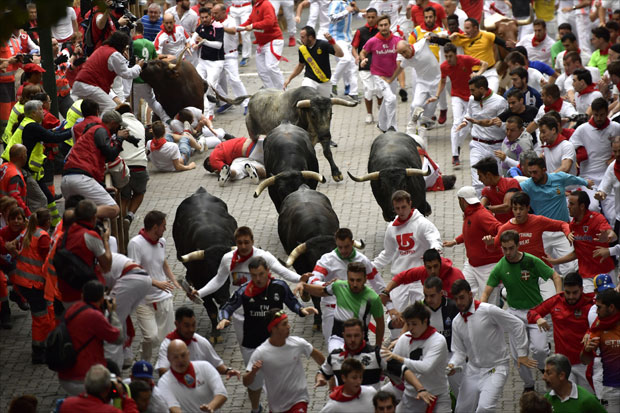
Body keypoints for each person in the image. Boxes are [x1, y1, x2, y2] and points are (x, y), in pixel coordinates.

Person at [217, 256, 317, 413]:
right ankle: (255, 408)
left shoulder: (279, 287)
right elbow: (227, 307)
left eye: (261, 274)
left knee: (280, 378)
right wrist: (223, 318)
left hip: (276, 344)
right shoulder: (244, 291)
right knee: (254, 383)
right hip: (252, 344)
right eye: (254, 275)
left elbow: (292, 302)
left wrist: (301, 310)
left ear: (268, 272)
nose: (258, 279)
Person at [482, 230, 562, 392]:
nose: (508, 252)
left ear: (518, 245)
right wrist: (481, 310)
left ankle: (542, 365)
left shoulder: (531, 261)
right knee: (518, 355)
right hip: (514, 315)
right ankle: (529, 385)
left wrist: (559, 298)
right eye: (504, 248)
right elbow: (486, 292)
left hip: (536, 313)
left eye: (511, 248)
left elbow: (555, 276)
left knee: (540, 350)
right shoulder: (500, 266)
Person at [448, 279, 536, 412]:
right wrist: (453, 364)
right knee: (461, 410)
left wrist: (522, 353)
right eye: (456, 299)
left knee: (484, 408)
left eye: (462, 297)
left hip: (496, 368)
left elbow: (517, 325)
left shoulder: (488, 310)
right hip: (472, 371)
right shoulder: (456, 322)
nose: (459, 302)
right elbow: (459, 352)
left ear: (470, 295)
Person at [372, 190, 441, 326]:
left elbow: (434, 239)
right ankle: (397, 339)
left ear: (410, 204)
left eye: (403, 207)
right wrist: (370, 266)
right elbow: (388, 253)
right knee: (395, 319)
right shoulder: (391, 228)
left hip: (419, 279)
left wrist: (433, 251)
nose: (401, 211)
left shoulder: (422, 223)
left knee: (423, 317)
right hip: (399, 280)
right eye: (397, 208)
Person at [307, 228, 387, 344]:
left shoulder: (362, 260)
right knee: (334, 347)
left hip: (356, 307)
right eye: (340, 247)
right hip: (331, 310)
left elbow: (378, 284)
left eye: (346, 247)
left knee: (359, 345)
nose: (343, 251)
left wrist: (390, 307)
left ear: (352, 243)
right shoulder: (327, 260)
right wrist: (327, 285)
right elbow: (313, 280)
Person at [244, 308, 325, 413]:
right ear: (273, 328)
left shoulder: (298, 343)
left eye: (288, 323)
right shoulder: (261, 352)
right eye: (284, 324)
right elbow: (246, 382)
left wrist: (324, 373)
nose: (289, 326)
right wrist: (253, 372)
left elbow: (318, 357)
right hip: (276, 406)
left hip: (299, 400)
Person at [484, 191, 577, 281]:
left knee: (555, 289)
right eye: (515, 209)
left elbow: (562, 224)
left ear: (528, 208)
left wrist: (567, 233)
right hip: (520, 274)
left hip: (541, 271)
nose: (518, 212)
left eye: (521, 209)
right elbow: (493, 247)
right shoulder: (506, 228)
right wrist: (489, 243)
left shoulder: (538, 221)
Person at [527, 272, 596, 392]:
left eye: (575, 292)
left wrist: (590, 332)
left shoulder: (591, 303)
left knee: (588, 398)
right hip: (563, 364)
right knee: (566, 398)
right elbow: (531, 313)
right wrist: (538, 318)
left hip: (585, 363)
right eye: (567, 292)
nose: (571, 296)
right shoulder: (556, 301)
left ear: (581, 289)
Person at [61, 110, 135, 219]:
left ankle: (73, 216)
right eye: (118, 126)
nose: (119, 129)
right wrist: (119, 139)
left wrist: (102, 186)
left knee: (78, 223)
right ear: (113, 123)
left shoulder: (92, 132)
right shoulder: (101, 130)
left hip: (67, 179)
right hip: (81, 179)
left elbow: (97, 159)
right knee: (113, 209)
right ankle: (76, 215)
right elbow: (111, 155)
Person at [129, 210, 181, 363]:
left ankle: (167, 366)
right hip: (144, 301)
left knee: (169, 338)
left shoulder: (162, 241)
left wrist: (173, 279)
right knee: (151, 337)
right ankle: (144, 362)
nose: (165, 229)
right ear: (155, 227)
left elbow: (163, 262)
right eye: (163, 226)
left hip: (164, 297)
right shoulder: (135, 244)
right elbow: (134, 272)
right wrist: (157, 283)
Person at [316, 318, 422, 391]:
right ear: (343, 335)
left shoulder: (377, 354)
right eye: (349, 336)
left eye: (356, 335)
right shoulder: (334, 356)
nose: (352, 340)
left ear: (363, 335)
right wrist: (320, 378)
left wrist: (420, 389)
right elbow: (323, 372)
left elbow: (403, 370)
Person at [57, 280, 123, 396]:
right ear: (102, 299)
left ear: (82, 295)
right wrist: (112, 312)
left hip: (65, 371)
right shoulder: (94, 316)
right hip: (84, 377)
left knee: (111, 366)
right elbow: (118, 338)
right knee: (114, 386)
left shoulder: (72, 309)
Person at [382, 301, 450, 412]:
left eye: (414, 324)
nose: (410, 328)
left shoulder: (438, 340)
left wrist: (399, 358)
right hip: (411, 396)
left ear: (425, 321)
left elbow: (425, 367)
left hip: (437, 396)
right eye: (408, 324)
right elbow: (393, 365)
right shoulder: (404, 338)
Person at [427, 42, 488, 165]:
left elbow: (484, 64)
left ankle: (458, 145)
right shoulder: (444, 66)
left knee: (467, 124)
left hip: (470, 97)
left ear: (455, 54)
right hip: (456, 96)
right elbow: (442, 82)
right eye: (446, 56)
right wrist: (437, 96)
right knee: (456, 122)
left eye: (450, 56)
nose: (448, 59)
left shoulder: (466, 60)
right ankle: (455, 155)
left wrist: (478, 74)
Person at [545, 192, 616, 289]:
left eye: (571, 204)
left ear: (582, 206)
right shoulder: (572, 225)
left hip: (606, 272)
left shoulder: (597, 218)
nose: (568, 206)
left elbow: (613, 234)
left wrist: (609, 238)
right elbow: (577, 253)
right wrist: (555, 261)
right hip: (586, 277)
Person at [456, 75, 508, 195]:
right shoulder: (472, 99)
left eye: (473, 90)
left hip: (496, 146)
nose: (471, 93)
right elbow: (469, 114)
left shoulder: (499, 102)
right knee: (478, 181)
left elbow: (506, 124)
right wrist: (465, 122)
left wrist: (500, 124)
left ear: (481, 89)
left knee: (497, 179)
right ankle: (481, 204)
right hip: (477, 144)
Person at [12, 208, 52, 363]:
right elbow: (47, 261)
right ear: (47, 222)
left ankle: (41, 347)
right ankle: (39, 351)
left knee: (39, 316)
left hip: (23, 282)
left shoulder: (28, 232)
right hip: (34, 284)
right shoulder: (43, 237)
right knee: (41, 318)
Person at [570, 98, 620, 221]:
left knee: (613, 215)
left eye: (602, 115)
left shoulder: (615, 127)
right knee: (592, 207)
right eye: (596, 115)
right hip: (588, 177)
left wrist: (613, 157)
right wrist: (576, 158)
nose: (598, 118)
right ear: (592, 112)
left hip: (608, 176)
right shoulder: (582, 129)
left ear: (607, 112)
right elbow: (569, 148)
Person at [155, 306, 239, 379]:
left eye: (193, 325)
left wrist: (228, 371)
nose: (191, 329)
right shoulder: (167, 345)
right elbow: (163, 371)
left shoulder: (201, 341)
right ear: (177, 324)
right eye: (187, 326)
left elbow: (217, 364)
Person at [58, 200, 112, 307]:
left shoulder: (64, 234)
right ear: (94, 217)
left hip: (66, 292)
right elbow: (107, 266)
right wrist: (105, 240)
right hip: (86, 296)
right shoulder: (90, 236)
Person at [72, 32, 143, 112]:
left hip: (80, 84)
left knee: (92, 111)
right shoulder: (114, 54)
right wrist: (138, 66)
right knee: (111, 108)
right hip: (90, 85)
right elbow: (127, 73)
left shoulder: (102, 48)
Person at [157, 340, 228, 412]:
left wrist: (210, 407)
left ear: (188, 354)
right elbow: (173, 408)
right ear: (168, 358)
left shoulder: (205, 367)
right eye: (175, 357)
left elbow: (222, 393)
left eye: (183, 355)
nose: (180, 360)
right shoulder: (164, 382)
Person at [359, 15, 402, 132]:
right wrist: (363, 59)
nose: (383, 27)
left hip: (392, 76)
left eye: (385, 25)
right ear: (377, 27)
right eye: (381, 25)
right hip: (379, 76)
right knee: (391, 99)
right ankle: (392, 127)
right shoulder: (373, 41)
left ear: (389, 25)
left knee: (387, 100)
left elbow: (405, 52)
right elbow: (363, 52)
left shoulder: (397, 40)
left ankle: (381, 125)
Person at [449, 17, 514, 92]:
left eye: (468, 28)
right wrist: (449, 37)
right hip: (473, 75)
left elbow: (505, 45)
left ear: (475, 28)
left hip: (490, 73)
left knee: (491, 95)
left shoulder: (488, 36)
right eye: (465, 28)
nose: (465, 31)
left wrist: (517, 50)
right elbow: (442, 41)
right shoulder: (461, 38)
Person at [581, 288, 620, 411]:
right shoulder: (598, 326)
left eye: (599, 307)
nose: (596, 311)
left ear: (611, 307)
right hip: (610, 390)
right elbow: (585, 361)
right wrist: (587, 349)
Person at [211, 4, 250, 115]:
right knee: (212, 81)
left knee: (234, 79)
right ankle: (226, 102)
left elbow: (233, 30)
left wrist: (220, 27)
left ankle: (246, 103)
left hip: (230, 55)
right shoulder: (212, 21)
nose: (214, 15)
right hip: (217, 56)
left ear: (224, 12)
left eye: (216, 13)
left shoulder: (230, 20)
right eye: (213, 13)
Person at [238, 0, 285, 90]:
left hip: (273, 40)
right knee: (262, 71)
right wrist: (238, 28)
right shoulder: (256, 5)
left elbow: (269, 22)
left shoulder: (266, 4)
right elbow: (250, 20)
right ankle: (270, 90)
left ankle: (282, 91)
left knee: (271, 67)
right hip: (262, 43)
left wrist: (253, 26)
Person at [383, 248, 464, 300]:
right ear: (424, 266)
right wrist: (386, 292)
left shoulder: (455, 276)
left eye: (435, 266)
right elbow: (401, 277)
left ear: (440, 263)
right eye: (429, 267)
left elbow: (464, 299)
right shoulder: (422, 271)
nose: (433, 271)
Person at [284, 26, 343, 97]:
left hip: (325, 81)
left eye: (303, 37)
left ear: (310, 37)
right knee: (306, 96)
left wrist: (332, 41)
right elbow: (300, 65)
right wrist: (289, 79)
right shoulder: (302, 49)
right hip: (310, 80)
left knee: (325, 103)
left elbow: (340, 54)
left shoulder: (323, 45)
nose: (301, 39)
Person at [116, 105, 147, 230]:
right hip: (140, 165)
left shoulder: (118, 124)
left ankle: (121, 225)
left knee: (124, 197)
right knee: (139, 193)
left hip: (124, 166)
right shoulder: (140, 124)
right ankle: (129, 216)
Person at [131, 24, 170, 124]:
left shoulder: (132, 44)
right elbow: (155, 61)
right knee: (152, 102)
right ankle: (166, 119)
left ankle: (135, 127)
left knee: (134, 107)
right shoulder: (150, 44)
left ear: (133, 31)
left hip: (135, 80)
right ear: (143, 31)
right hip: (147, 80)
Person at [59, 364, 138, 412]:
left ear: (85, 384)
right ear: (108, 388)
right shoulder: (110, 411)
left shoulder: (67, 405)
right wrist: (123, 395)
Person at [193, 7, 225, 118]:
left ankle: (210, 113)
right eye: (202, 18)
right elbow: (193, 39)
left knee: (210, 86)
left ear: (211, 16)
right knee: (198, 85)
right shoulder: (200, 27)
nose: (204, 19)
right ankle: (203, 112)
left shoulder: (218, 26)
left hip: (216, 62)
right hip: (202, 61)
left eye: (206, 17)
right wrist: (192, 44)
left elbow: (219, 45)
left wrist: (204, 42)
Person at [351, 8, 379, 124]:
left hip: (379, 65)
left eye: (373, 17)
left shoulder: (381, 30)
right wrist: (357, 57)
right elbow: (354, 48)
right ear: (366, 17)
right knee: (368, 90)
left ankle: (381, 111)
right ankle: (369, 114)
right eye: (369, 17)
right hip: (365, 65)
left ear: (377, 17)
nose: (371, 19)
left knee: (379, 90)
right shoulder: (360, 31)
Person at [474, 156, 521, 223]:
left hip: (517, 225)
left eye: (480, 176)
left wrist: (487, 208)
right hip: (500, 226)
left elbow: (507, 207)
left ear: (488, 175)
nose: (479, 179)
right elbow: (481, 207)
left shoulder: (511, 183)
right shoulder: (486, 190)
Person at [596, 136, 620, 237]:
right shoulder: (612, 167)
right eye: (615, 151)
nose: (617, 154)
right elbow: (604, 189)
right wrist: (600, 194)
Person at [0, 144, 30, 215]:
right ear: (22, 156)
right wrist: (27, 213)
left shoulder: (4, 166)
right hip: (8, 212)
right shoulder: (15, 175)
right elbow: (15, 197)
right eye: (26, 153)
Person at [229, 0, 253, 67]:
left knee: (245, 32)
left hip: (245, 7)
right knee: (233, 32)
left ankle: (246, 56)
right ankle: (232, 54)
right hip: (233, 7)